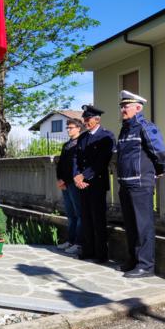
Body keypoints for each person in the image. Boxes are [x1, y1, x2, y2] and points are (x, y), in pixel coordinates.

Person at [116, 90, 165, 278]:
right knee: (130, 225)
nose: (122, 109)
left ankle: (146, 266)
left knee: (143, 226)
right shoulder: (124, 129)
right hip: (125, 183)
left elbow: (160, 152)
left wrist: (159, 169)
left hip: (140, 184)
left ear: (138, 108)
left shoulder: (145, 126)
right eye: (121, 106)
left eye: (126, 106)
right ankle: (133, 260)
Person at [73, 105, 116, 263]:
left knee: (98, 219)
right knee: (86, 218)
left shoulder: (106, 136)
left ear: (97, 119)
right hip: (82, 184)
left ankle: (101, 254)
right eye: (84, 119)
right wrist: (76, 176)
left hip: (96, 183)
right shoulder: (83, 138)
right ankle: (88, 250)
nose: (85, 122)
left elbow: (102, 161)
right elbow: (76, 159)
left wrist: (84, 176)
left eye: (88, 119)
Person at [56, 118, 84, 255]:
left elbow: (77, 166)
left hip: (74, 183)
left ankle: (78, 243)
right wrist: (59, 179)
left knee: (79, 214)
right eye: (67, 127)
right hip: (65, 183)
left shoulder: (81, 143)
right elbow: (61, 164)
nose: (68, 130)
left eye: (71, 127)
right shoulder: (66, 145)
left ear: (79, 128)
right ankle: (70, 240)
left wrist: (67, 180)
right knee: (70, 214)